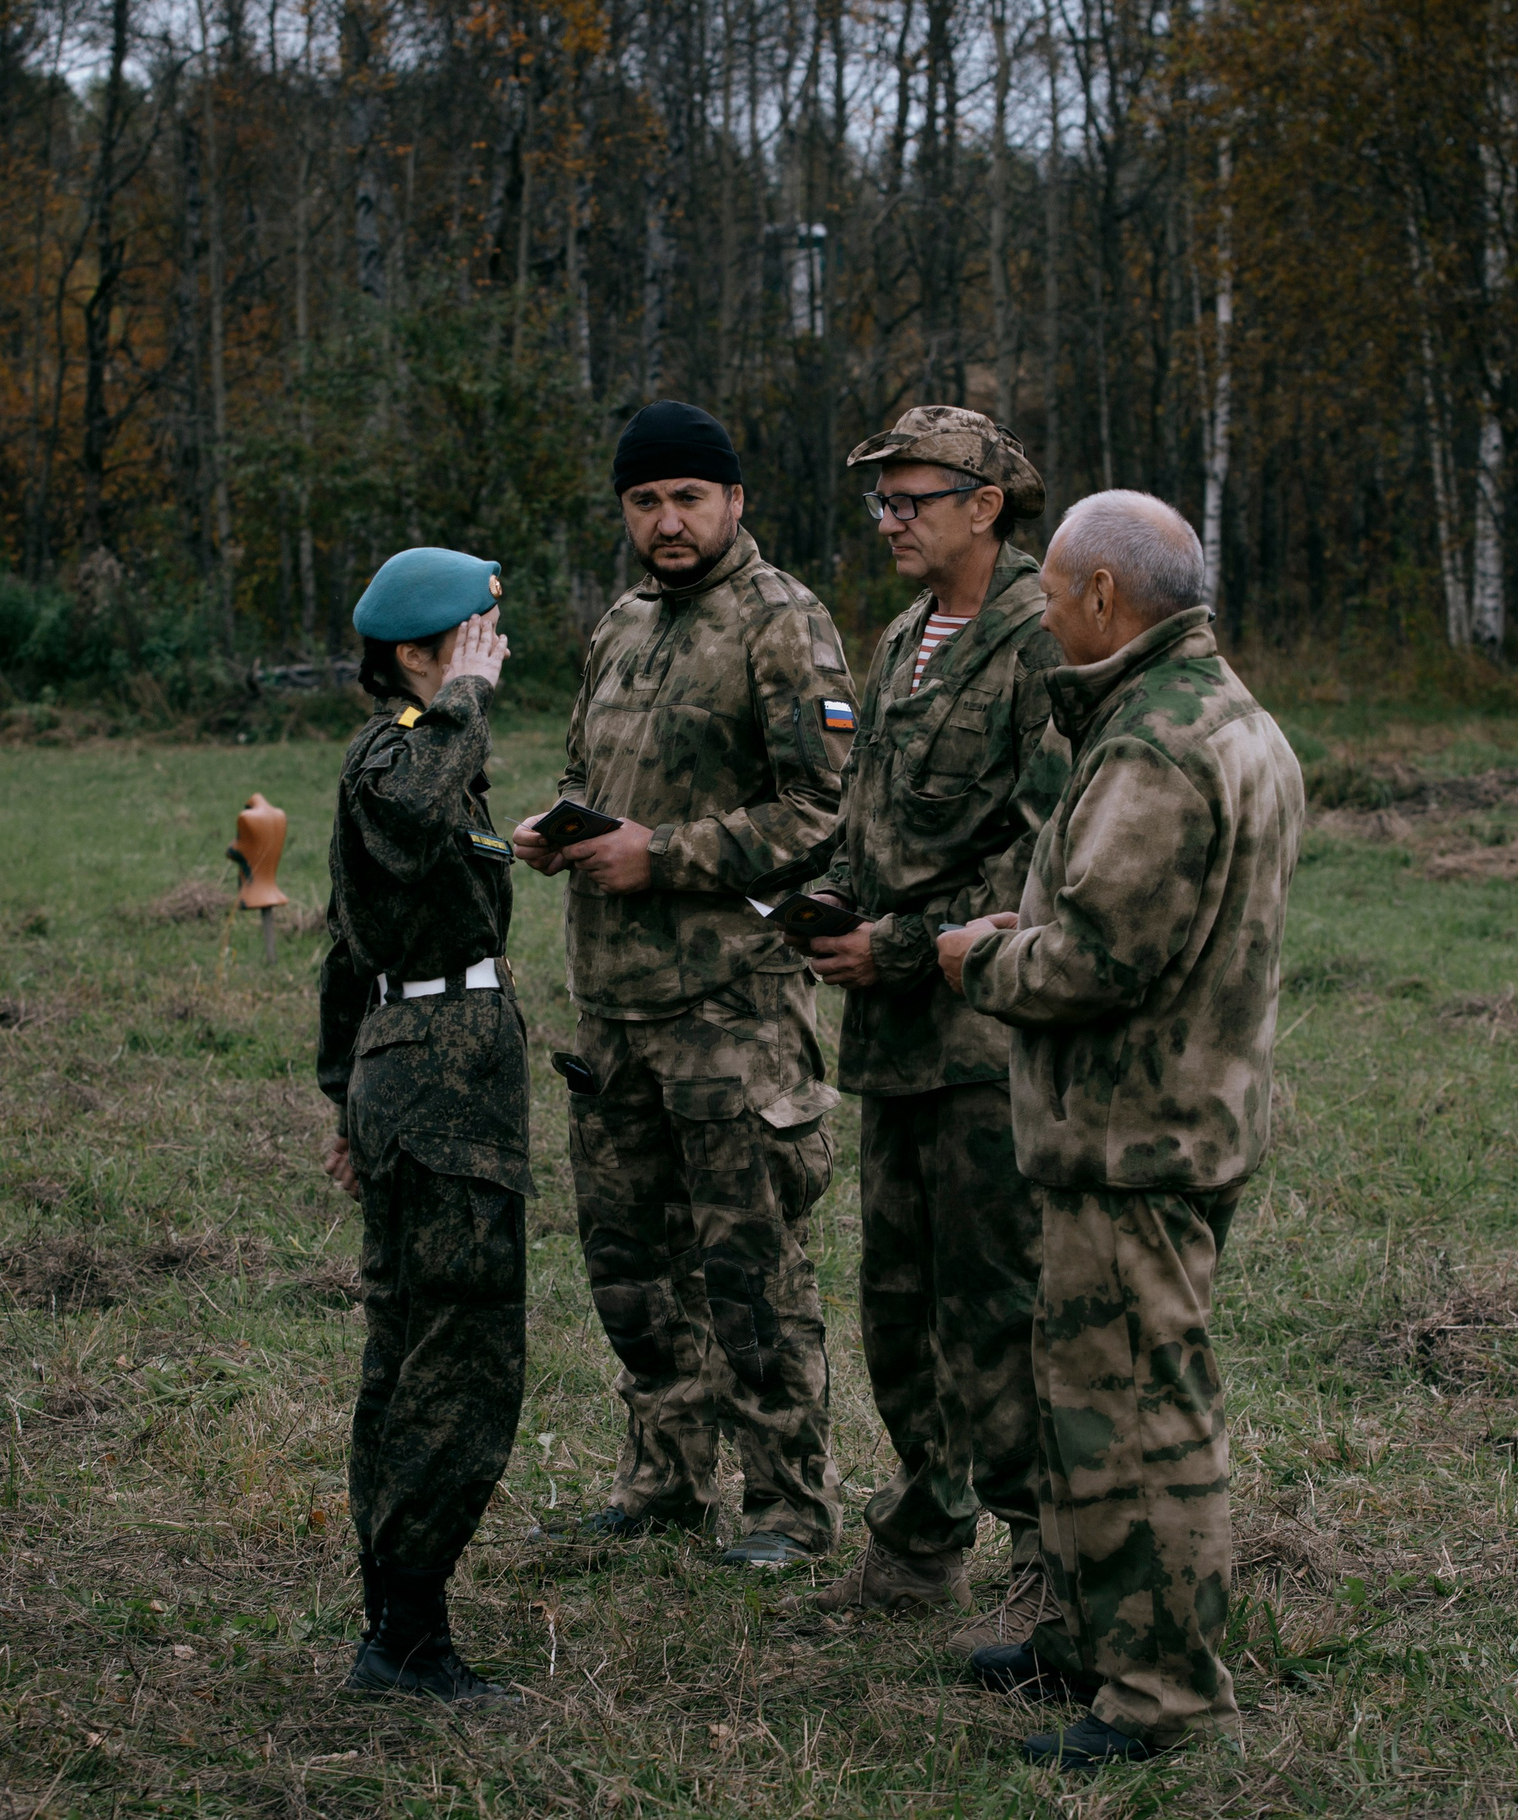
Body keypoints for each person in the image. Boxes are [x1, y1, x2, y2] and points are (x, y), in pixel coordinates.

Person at [934, 491, 1305, 1768]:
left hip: (1133, 1136)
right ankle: (1092, 1641)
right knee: (1087, 1402)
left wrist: (978, 960)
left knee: (1141, 1415)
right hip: (1166, 1119)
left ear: (1102, 596)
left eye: (1049, 592)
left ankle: (1161, 1696)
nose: (1038, 614)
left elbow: (1098, 958)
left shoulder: (1157, 742)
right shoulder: (1229, 714)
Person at [513, 401, 857, 1568]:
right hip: (611, 1014)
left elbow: (822, 813)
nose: (667, 521)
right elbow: (587, 771)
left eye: (688, 499)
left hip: (731, 1016)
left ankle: (786, 1508)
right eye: (645, 501)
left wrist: (658, 854)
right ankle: (661, 1483)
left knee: (749, 1272)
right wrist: (559, 831)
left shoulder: (781, 622)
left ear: (734, 501)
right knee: (631, 1271)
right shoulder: (620, 624)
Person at [779, 407, 1067, 1648]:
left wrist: (897, 943)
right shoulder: (900, 639)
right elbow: (877, 815)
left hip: (981, 1028)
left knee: (993, 1300)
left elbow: (1040, 856)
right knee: (897, 1300)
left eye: (912, 497)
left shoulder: (1045, 636)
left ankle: (1046, 1560)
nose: (890, 519)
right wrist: (833, 897)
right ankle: (919, 1540)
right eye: (881, 501)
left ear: (985, 505)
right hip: (893, 1035)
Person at [317, 547, 530, 1700]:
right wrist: (464, 705)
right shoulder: (406, 751)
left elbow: (349, 942)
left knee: (416, 1345)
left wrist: (341, 1096)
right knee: (458, 1351)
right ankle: (405, 1636)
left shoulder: (422, 752)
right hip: (443, 1082)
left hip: (419, 1072)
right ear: (415, 651)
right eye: (478, 632)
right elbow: (404, 811)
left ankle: (399, 1619)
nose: (497, 650)